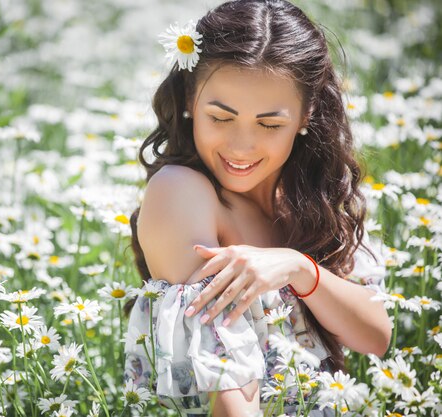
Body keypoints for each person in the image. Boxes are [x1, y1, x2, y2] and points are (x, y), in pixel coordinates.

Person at [121, 0, 393, 416]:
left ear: (307, 115)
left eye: (269, 124)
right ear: (190, 101)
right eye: (220, 117)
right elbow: (230, 392)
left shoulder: (319, 198)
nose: (241, 146)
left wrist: (298, 267)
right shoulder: (182, 193)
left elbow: (376, 337)